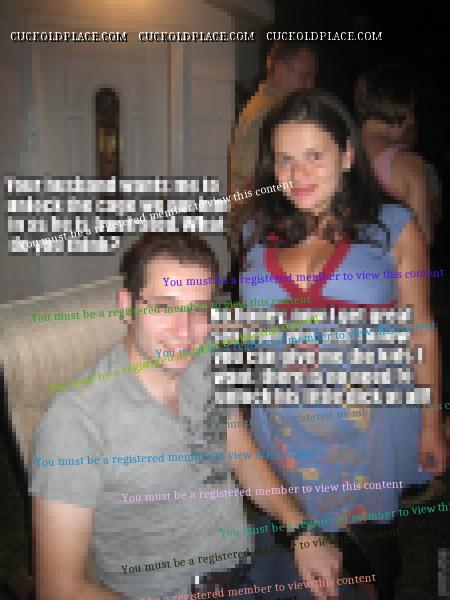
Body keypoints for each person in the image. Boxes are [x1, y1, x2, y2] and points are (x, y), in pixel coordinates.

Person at [230, 90, 446, 599]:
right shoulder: (254, 233)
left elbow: (420, 327)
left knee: (371, 559)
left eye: (314, 155)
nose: (298, 173)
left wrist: (432, 420)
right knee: (298, 553)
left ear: (347, 155)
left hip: (370, 430)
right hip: (285, 427)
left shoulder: (393, 227)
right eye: (285, 158)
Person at [30, 233, 258, 599]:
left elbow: (243, 456)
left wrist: (300, 530)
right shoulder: (74, 421)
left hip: (248, 568)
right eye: (165, 307)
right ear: (127, 306)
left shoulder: (207, 361)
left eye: (199, 309)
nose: (185, 331)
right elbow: (59, 589)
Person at [355, 65, 441, 246]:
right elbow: (423, 240)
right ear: (397, 106)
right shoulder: (408, 164)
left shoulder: (336, 151)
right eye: (410, 110)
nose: (412, 120)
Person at [229, 42, 317, 199]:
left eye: (312, 78)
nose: (311, 85)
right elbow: (251, 184)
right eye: (305, 76)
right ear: (280, 70)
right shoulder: (269, 114)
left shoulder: (267, 108)